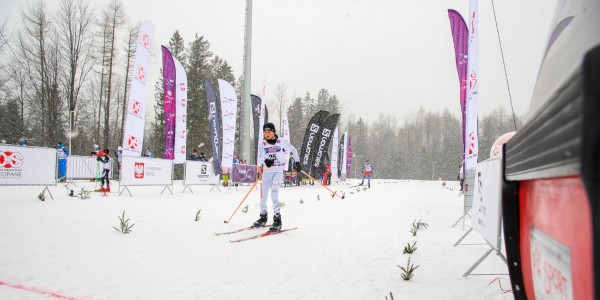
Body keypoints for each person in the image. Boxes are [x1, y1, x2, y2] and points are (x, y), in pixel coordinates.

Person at [253, 122, 300, 232]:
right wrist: (264, 161)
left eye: (269, 131)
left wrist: (297, 162)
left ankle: (277, 219)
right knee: (263, 196)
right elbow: (260, 157)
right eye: (265, 132)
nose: (267, 134)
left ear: (273, 131)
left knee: (274, 193)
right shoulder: (263, 144)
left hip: (278, 171)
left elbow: (293, 150)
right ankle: (263, 217)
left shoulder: (282, 141)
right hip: (267, 172)